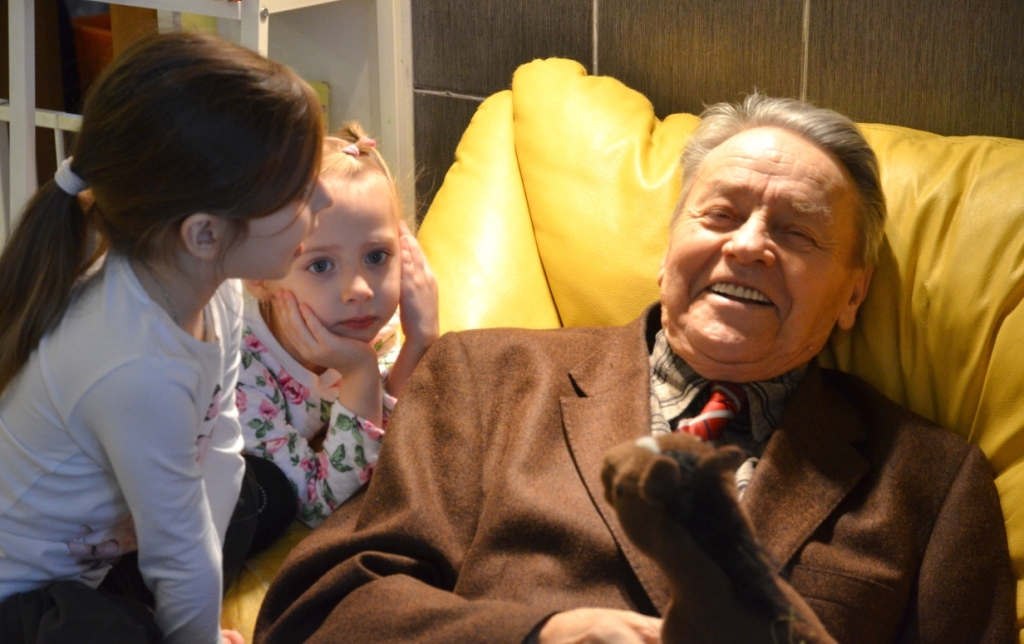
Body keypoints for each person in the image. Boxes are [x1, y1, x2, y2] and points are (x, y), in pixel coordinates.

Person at [254, 95, 1015, 644]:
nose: (749, 245)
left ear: (853, 293)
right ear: (667, 248)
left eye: (797, 232)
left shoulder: (930, 483)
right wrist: (542, 634)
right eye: (720, 214)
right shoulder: (488, 377)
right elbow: (320, 610)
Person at [0, 33, 329, 644]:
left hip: (96, 553)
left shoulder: (210, 289)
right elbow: (180, 553)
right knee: (120, 626)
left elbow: (221, 452)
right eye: (299, 192)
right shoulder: (135, 363)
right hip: (20, 600)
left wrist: (162, 544)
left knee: (261, 495)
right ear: (204, 234)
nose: (325, 198)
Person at [237, 124, 439, 531]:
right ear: (259, 275)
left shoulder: (372, 327)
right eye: (321, 265)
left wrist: (419, 341)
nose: (360, 289)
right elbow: (321, 505)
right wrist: (360, 372)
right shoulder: (241, 369)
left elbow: (395, 444)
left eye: (377, 256)